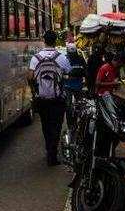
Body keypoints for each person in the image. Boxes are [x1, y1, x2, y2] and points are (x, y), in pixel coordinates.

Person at [28, 29, 71, 166]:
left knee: (46, 125)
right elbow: (69, 72)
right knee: (57, 125)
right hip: (58, 99)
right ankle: (53, 153)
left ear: (44, 41)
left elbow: (29, 76)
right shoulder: (61, 57)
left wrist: (34, 90)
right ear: (55, 41)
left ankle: (49, 149)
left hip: (41, 99)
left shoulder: (36, 57)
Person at [64, 43, 87, 126]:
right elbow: (85, 71)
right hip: (74, 85)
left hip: (72, 85)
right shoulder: (80, 58)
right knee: (71, 105)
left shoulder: (66, 58)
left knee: (73, 105)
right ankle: (74, 123)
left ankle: (74, 123)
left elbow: (85, 71)